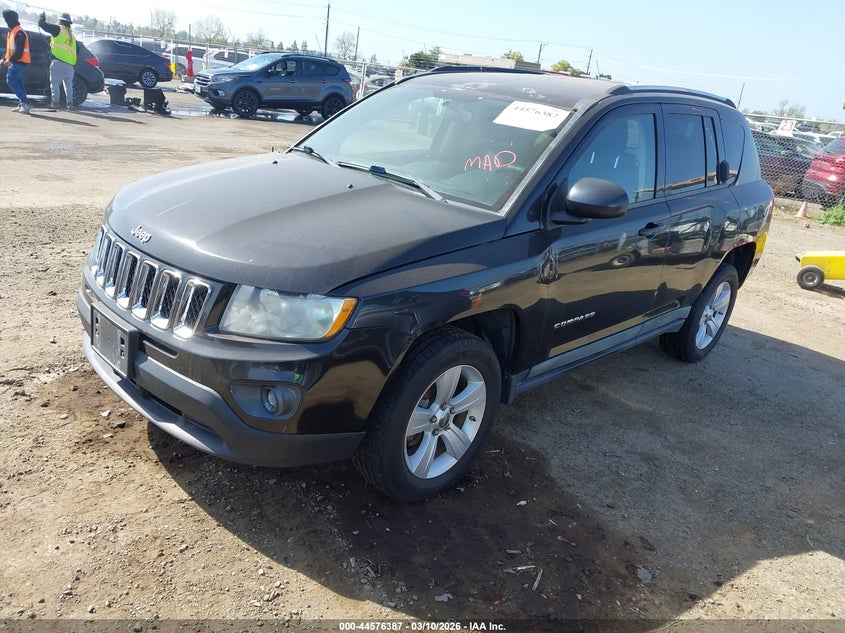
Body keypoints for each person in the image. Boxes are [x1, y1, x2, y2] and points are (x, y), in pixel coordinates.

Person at [38, 11, 77, 110]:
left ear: (61, 21)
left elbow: (42, 25)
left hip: (58, 62)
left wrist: (41, 17)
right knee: (68, 85)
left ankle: (55, 103)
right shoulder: (72, 36)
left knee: (54, 83)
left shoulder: (58, 29)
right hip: (70, 65)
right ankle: (70, 104)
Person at [2, 10, 32, 114]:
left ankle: (25, 103)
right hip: (18, 62)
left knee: (11, 80)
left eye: (7, 19)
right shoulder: (13, 31)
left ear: (11, 19)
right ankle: (23, 103)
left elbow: (19, 51)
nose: (6, 22)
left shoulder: (19, 32)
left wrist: (9, 60)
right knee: (19, 83)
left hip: (19, 62)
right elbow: (10, 50)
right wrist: (4, 59)